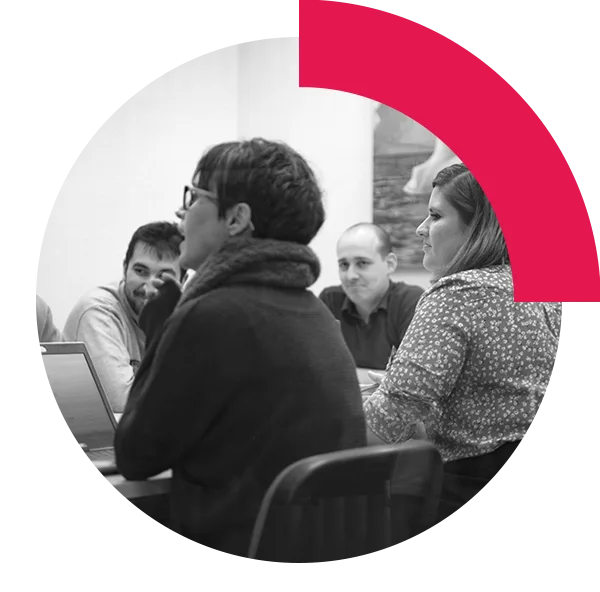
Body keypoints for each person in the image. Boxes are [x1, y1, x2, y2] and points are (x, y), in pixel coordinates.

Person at [114, 138, 367, 559]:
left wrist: (163, 324)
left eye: (194, 197)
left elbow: (135, 456)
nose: (181, 213)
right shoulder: (317, 314)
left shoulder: (211, 314)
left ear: (236, 218)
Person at [362, 163, 562, 520]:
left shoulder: (457, 293)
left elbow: (389, 419)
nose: (421, 228)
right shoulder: (544, 292)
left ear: (477, 226)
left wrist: (323, 421)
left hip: (475, 499)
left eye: (436, 216)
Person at [62, 221, 183, 412]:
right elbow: (123, 403)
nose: (149, 287)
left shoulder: (187, 315)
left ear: (182, 281)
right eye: (140, 271)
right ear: (125, 268)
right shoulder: (98, 311)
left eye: (163, 276)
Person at [319, 223, 423, 370]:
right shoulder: (330, 300)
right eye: (344, 265)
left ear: (390, 264)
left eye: (362, 263)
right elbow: (315, 369)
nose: (351, 276)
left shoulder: (410, 301)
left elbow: (413, 377)